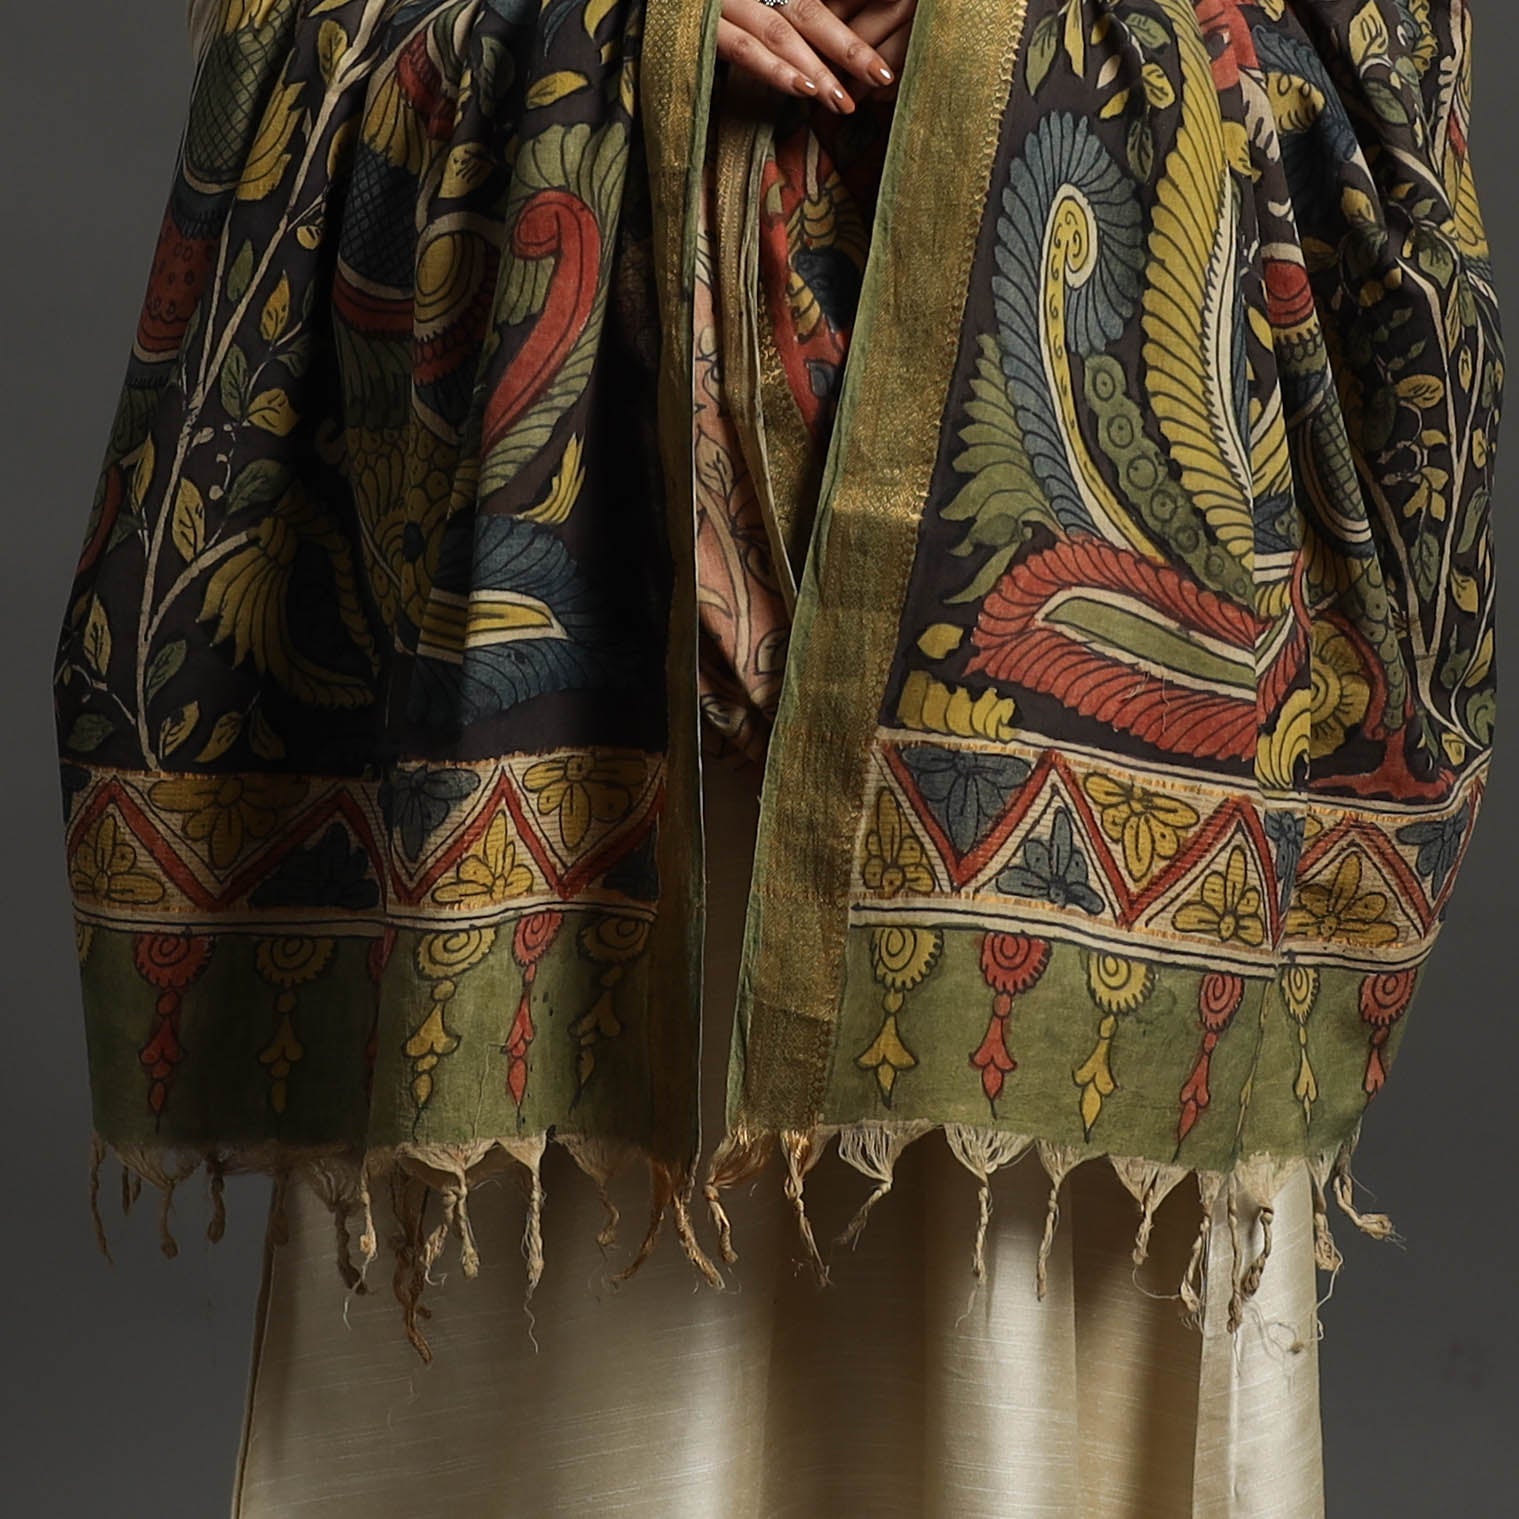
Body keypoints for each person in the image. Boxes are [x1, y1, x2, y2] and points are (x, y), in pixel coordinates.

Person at [58, 3, 1501, 1514]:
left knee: (1018, 1394)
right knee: (576, 1421)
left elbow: (1384, 56)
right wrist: (626, 23)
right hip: (600, 625)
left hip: (1062, 659)